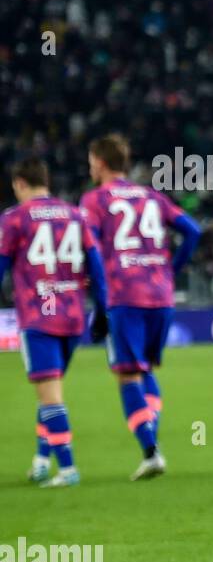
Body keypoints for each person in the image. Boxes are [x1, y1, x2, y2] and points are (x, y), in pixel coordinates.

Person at [80, 134, 202, 481]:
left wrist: (99, 305)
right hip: (160, 295)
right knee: (145, 369)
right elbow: (192, 231)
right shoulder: (151, 196)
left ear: (101, 163)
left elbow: (88, 248)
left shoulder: (94, 200)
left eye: (91, 161)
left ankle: (150, 451)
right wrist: (169, 270)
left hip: (123, 294)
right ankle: (151, 442)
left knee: (127, 374)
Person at [0, 157, 108, 488]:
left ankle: (69, 469)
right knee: (50, 391)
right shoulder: (76, 215)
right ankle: (42, 461)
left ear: (19, 183)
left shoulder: (15, 218)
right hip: (72, 316)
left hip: (38, 316)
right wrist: (103, 311)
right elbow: (98, 268)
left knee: (50, 397)